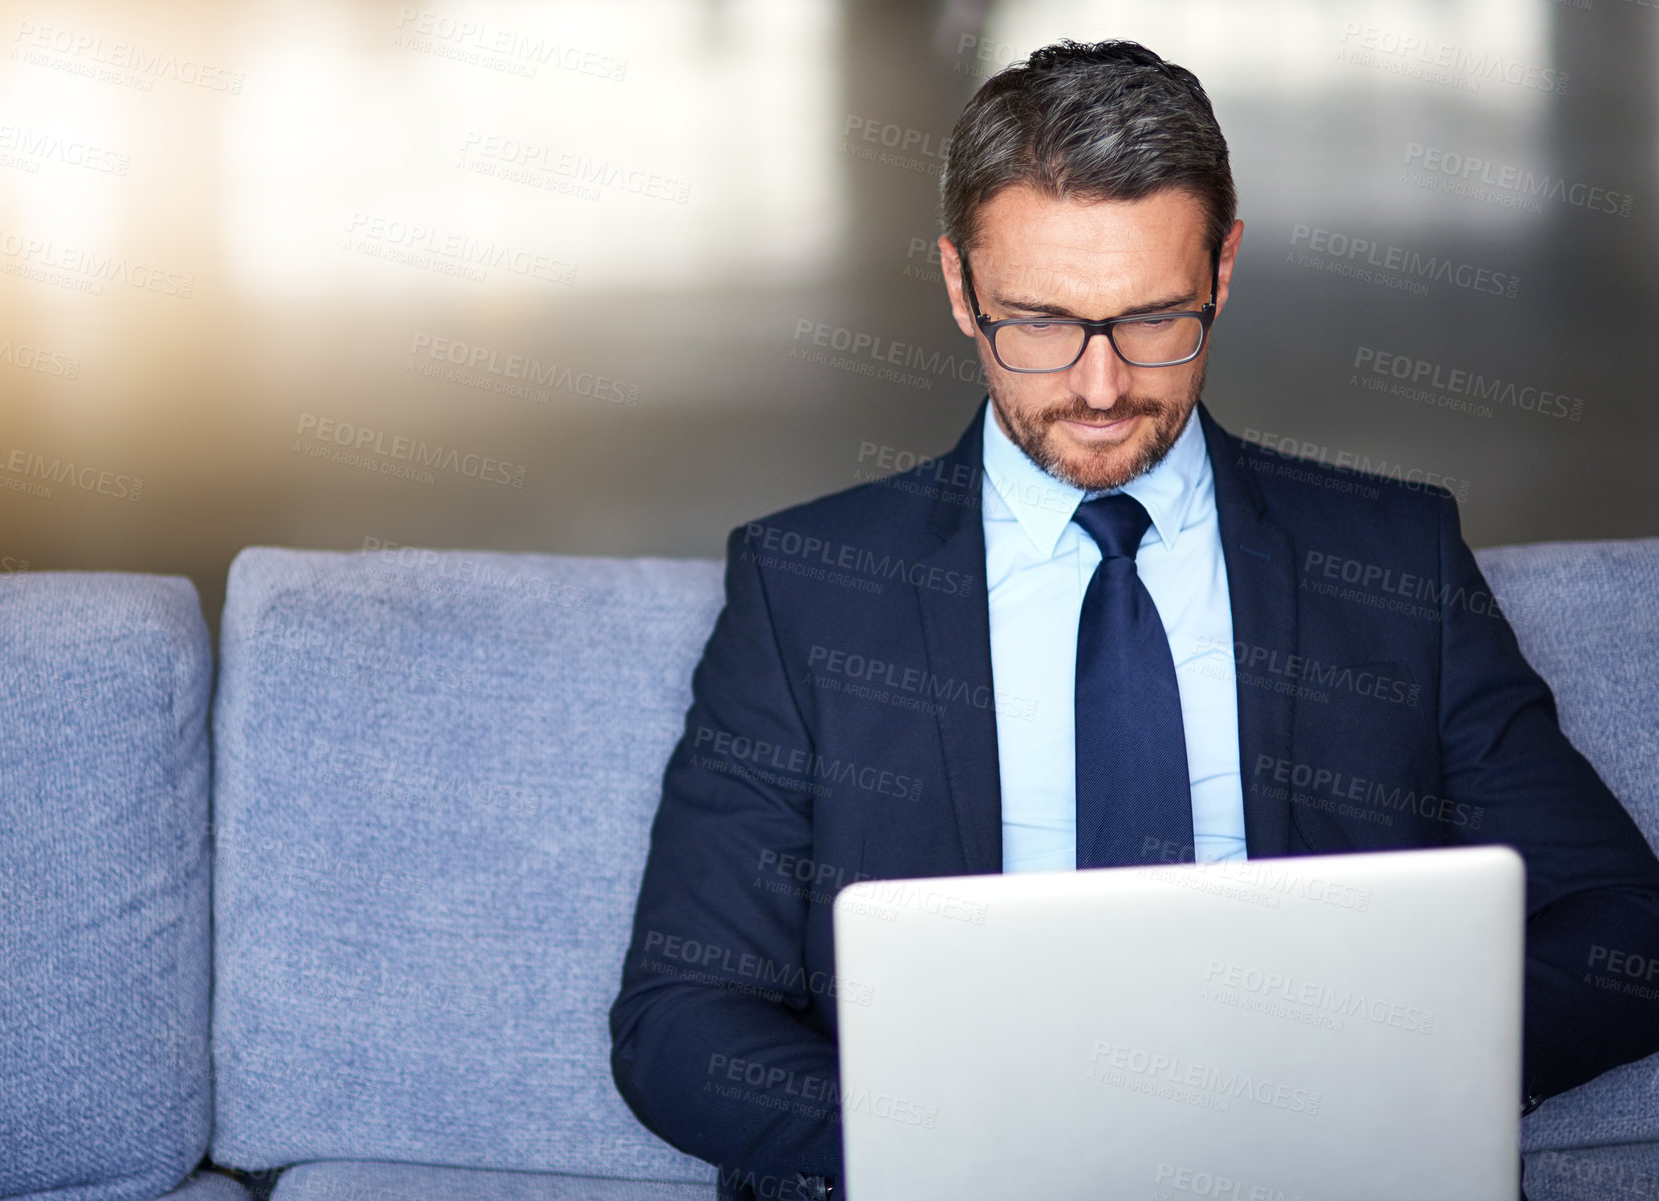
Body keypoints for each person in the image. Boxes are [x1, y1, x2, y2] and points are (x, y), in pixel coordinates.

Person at [609, 39, 1659, 1201]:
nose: (1100, 388)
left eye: (1154, 320)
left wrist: (1366, 1074)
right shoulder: (806, 586)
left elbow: (1626, 933)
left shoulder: (1388, 557)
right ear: (958, 286)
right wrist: (964, 1139)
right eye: (1040, 323)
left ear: (1223, 269)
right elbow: (678, 1021)